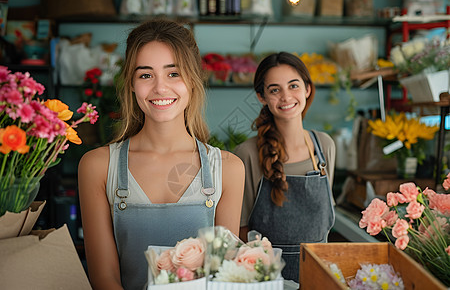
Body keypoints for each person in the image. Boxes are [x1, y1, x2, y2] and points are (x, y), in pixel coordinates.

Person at [78, 19, 245, 290]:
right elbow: (104, 278)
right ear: (131, 83)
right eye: (145, 75)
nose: (160, 88)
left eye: (173, 73)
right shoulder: (97, 166)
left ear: (192, 79)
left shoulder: (228, 168)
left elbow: (221, 275)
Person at [234, 52, 336, 283]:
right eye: (274, 90)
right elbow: (239, 232)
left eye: (293, 85)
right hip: (267, 280)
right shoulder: (247, 154)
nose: (286, 96)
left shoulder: (325, 146)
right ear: (262, 97)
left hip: (320, 275)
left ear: (307, 89)